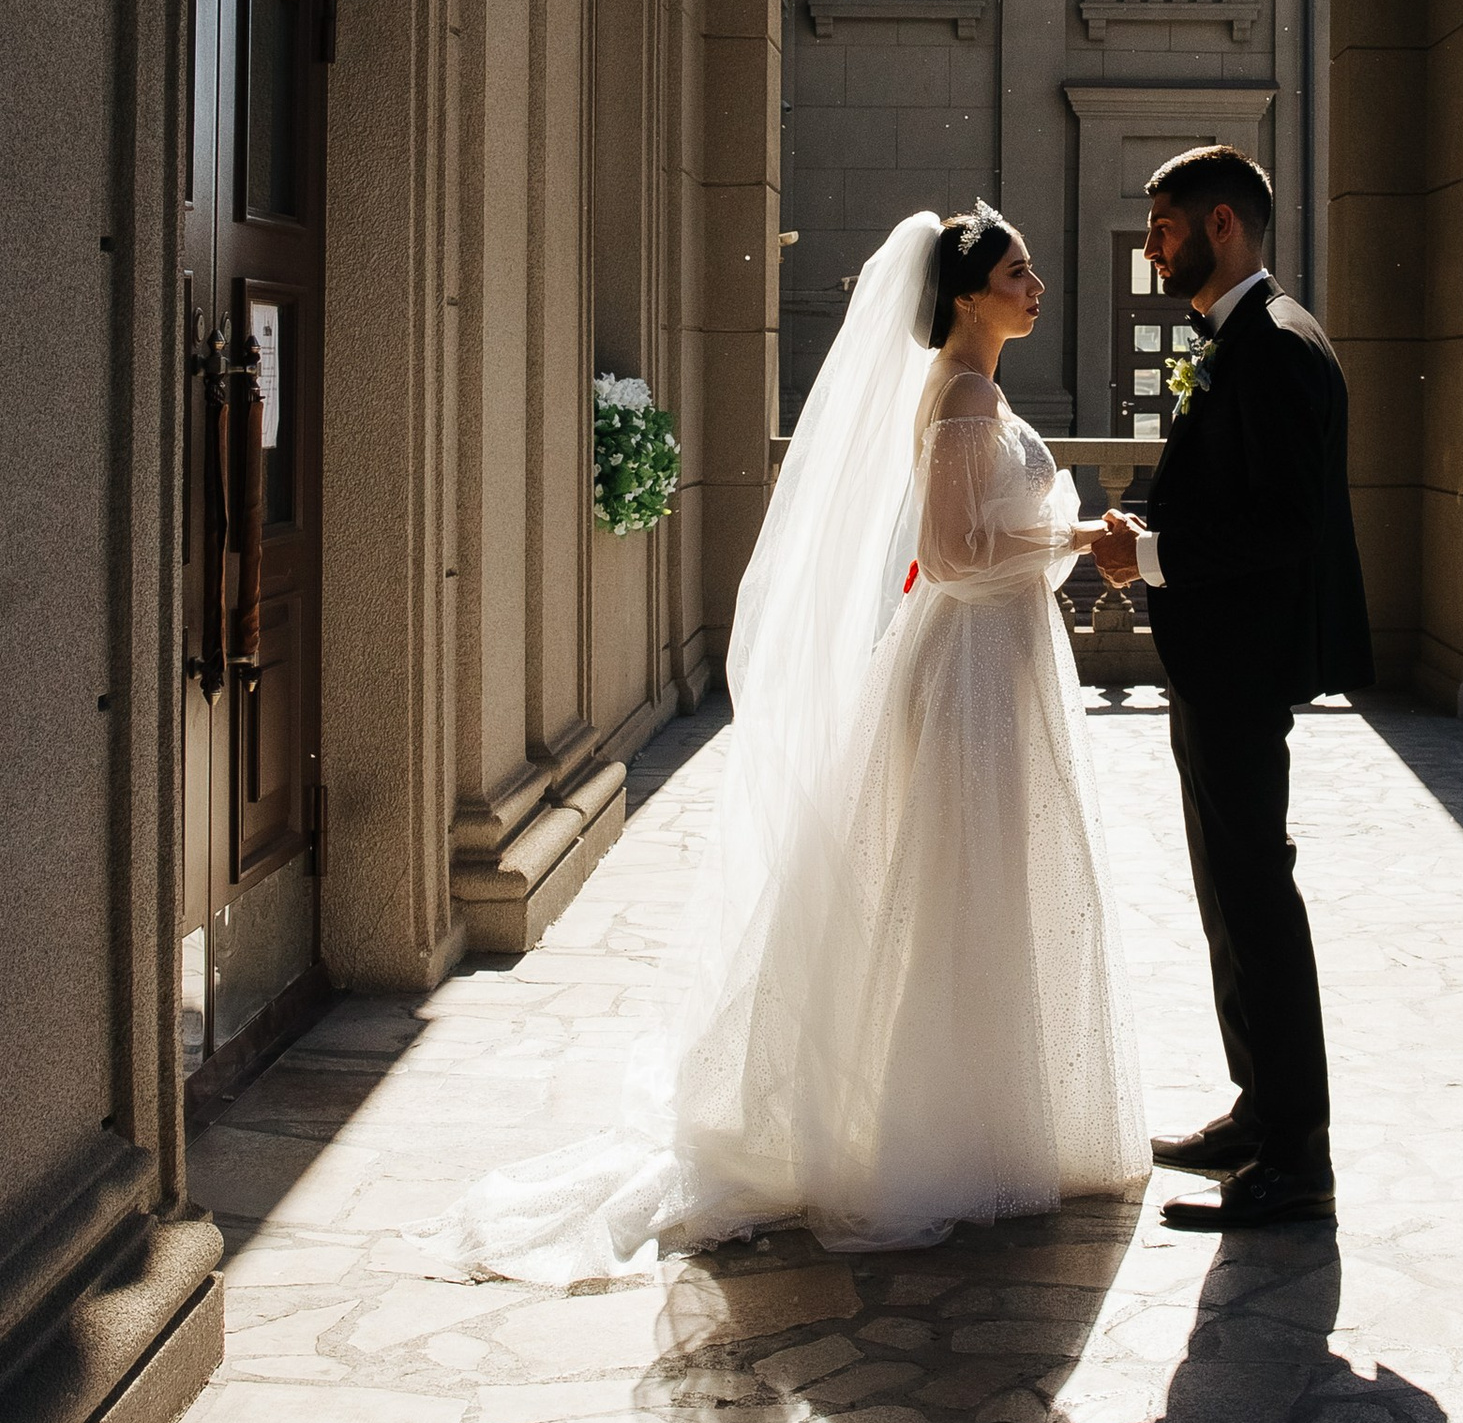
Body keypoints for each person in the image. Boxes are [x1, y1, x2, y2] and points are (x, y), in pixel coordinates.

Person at [427, 207, 1144, 1279]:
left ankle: (986, 1117)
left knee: (976, 888)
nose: (1035, 283)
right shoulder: (962, 392)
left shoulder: (968, 390)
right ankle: (939, 1130)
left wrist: (1058, 541)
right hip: (970, 669)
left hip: (999, 660)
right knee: (953, 888)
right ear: (962, 295)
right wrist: (1080, 533)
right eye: (1016, 268)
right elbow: (951, 555)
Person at [1097, 144, 1370, 1234]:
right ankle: (1261, 1112)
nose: (1150, 244)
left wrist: (1153, 559)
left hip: (1245, 663)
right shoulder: (1240, 342)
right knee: (1230, 896)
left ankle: (1298, 1158)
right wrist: (1157, 541)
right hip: (1220, 659)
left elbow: (1285, 525)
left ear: (1220, 225)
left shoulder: (1275, 345)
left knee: (1257, 899)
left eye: (1162, 225)